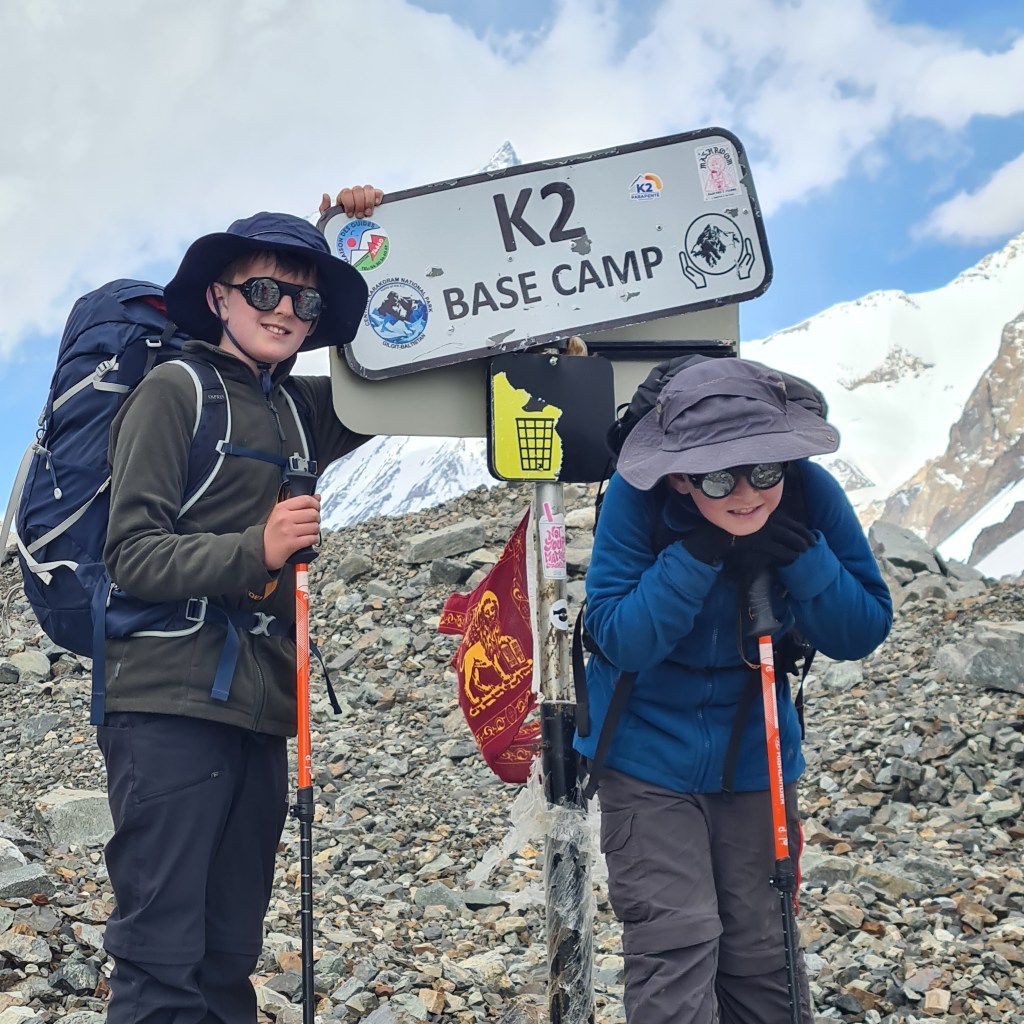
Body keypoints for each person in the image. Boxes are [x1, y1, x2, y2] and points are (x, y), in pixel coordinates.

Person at [97, 185, 383, 1024]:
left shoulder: (301, 410)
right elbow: (131, 555)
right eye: (265, 290)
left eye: (305, 298)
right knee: (161, 953)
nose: (286, 309)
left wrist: (371, 236)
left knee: (228, 956)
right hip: (167, 705)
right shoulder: (173, 390)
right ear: (219, 294)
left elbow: (406, 360)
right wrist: (255, 550)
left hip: (260, 709)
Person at [575, 358, 893, 1024]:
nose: (747, 492)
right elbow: (618, 636)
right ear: (681, 477)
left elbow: (861, 628)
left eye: (765, 471)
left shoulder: (809, 493)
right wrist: (698, 555)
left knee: (761, 946)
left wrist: (801, 557)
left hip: (759, 755)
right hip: (645, 757)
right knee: (674, 939)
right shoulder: (639, 499)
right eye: (720, 477)